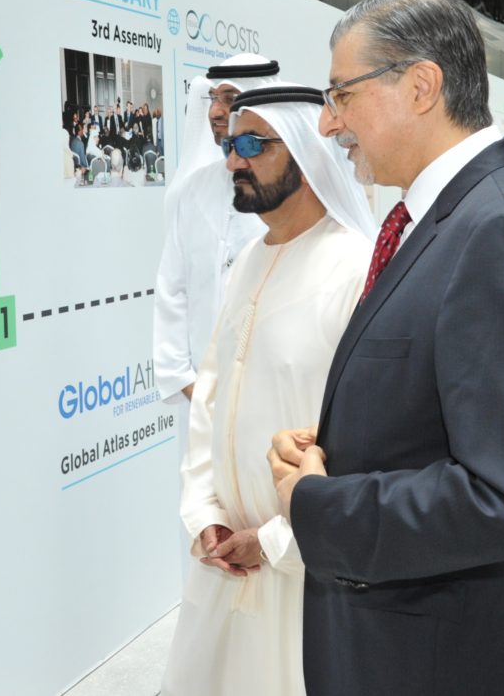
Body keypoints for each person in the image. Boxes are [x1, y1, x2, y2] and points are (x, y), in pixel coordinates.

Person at [269, 0, 504, 695]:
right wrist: (337, 447)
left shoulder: (502, 231)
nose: (328, 124)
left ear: (421, 86)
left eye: (341, 96)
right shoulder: (452, 218)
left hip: (455, 655)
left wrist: (318, 501)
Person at [159, 83, 374, 696]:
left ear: (307, 153)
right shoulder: (249, 261)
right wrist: (205, 516)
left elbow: (361, 441)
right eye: (229, 144)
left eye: (253, 144)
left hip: (304, 572)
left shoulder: (354, 268)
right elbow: (211, 401)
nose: (233, 160)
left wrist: (277, 541)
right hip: (223, 560)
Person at [152, 55, 280, 580]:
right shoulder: (190, 190)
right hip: (202, 398)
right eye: (212, 98)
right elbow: (171, 288)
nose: (217, 110)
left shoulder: (280, 187)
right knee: (211, 519)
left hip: (272, 397)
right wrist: (189, 381)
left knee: (269, 524)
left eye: (230, 98)